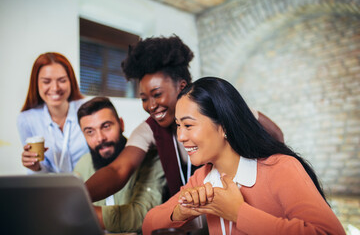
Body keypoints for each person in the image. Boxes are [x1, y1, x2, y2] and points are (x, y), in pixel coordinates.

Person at [85, 36, 284, 205]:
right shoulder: (150, 129)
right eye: (144, 98)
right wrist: (81, 196)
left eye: (157, 94)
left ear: (182, 86)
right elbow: (118, 170)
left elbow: (275, 135)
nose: (151, 105)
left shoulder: (216, 107)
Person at [142, 77, 345, 235]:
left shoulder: (281, 168)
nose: (181, 136)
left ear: (223, 126)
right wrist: (180, 212)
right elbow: (149, 225)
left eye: (188, 125)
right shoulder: (202, 178)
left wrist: (239, 213)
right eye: (178, 126)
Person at [74, 97, 165, 233]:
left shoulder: (151, 158)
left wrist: (79, 213)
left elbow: (143, 216)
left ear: (121, 124)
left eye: (106, 126)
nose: (100, 138)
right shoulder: (83, 163)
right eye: (90, 132)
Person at [17, 52, 89, 173]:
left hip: (90, 187)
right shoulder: (27, 120)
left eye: (62, 80)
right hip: (52, 188)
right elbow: (41, 170)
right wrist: (36, 167)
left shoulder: (88, 109)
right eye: (46, 81)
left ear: (70, 81)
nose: (55, 88)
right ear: (36, 84)